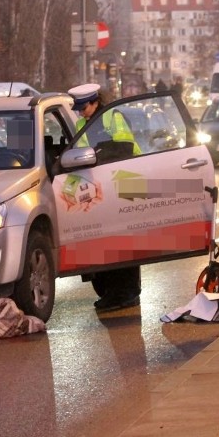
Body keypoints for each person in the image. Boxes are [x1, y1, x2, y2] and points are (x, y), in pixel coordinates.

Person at [68, 83, 141, 311]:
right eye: (78, 108)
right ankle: (110, 292)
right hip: (99, 187)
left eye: (84, 107)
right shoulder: (82, 124)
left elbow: (125, 147)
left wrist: (98, 154)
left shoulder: (112, 116)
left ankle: (127, 293)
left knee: (124, 240)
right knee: (103, 242)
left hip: (124, 181)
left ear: (95, 101)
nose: (81, 112)